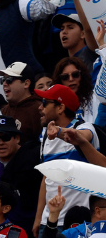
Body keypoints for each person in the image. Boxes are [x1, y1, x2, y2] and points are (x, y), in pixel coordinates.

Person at [35, 83, 99, 228]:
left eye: (45, 103)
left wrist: (58, 131)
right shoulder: (45, 137)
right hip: (49, 220)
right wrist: (38, 218)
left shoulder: (84, 127)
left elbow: (81, 136)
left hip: (78, 223)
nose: (40, 107)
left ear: (60, 108)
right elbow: (46, 178)